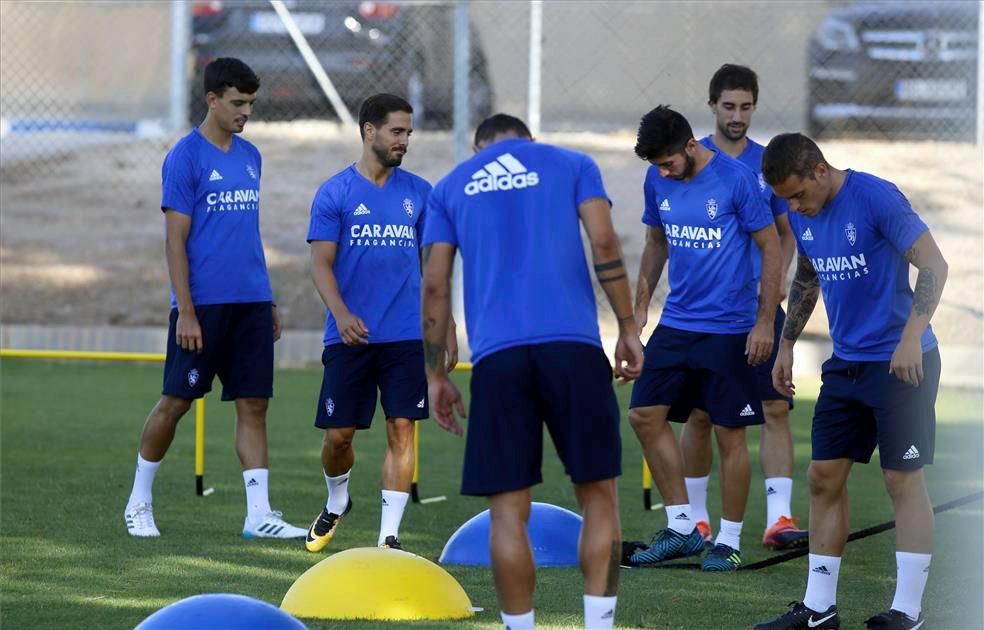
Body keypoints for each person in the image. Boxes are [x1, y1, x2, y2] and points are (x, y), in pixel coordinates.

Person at [421, 114, 643, 630]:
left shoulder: (452, 186)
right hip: (574, 349)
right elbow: (606, 243)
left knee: (507, 513)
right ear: (530, 141)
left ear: (479, 148)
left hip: (499, 360)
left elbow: (433, 285)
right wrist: (629, 328)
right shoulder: (572, 163)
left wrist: (435, 374)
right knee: (599, 498)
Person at [754, 133, 947, 630]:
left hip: (902, 362)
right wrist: (788, 343)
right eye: (785, 199)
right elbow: (807, 276)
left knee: (901, 480)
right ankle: (819, 609)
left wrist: (910, 337)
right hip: (846, 364)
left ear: (820, 170)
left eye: (798, 194)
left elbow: (933, 263)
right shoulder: (803, 210)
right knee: (823, 478)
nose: (793, 206)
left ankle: (907, 611)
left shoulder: (875, 196)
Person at [123, 57, 305, 540]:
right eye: (237, 102)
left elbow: (247, 234)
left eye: (251, 103)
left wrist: (266, 299)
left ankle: (258, 515)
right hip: (201, 308)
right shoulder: (185, 157)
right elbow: (174, 242)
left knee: (254, 405)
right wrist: (185, 310)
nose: (246, 111)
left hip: (250, 303)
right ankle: (138, 502)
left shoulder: (251, 157)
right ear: (212, 99)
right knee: (176, 402)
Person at [626, 105, 782, 572]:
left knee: (728, 432)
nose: (664, 171)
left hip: (731, 327)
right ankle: (682, 527)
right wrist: (639, 308)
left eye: (669, 161)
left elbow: (770, 245)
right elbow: (656, 244)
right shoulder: (658, 179)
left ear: (691, 146)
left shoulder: (736, 180)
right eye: (657, 165)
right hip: (677, 323)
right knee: (643, 415)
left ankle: (729, 541)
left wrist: (765, 321)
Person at [304, 93, 456, 554]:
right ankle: (337, 501)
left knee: (402, 428)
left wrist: (446, 326)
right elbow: (320, 266)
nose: (404, 141)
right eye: (396, 131)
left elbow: (436, 269)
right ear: (369, 130)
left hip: (407, 336)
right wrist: (343, 314)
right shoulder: (335, 193)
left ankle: (389, 538)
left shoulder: (420, 194)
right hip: (350, 336)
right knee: (338, 437)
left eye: (408, 133)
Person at [679, 64, 807, 550]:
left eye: (746, 106)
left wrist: (771, 295)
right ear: (712, 105)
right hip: (705, 314)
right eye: (729, 106)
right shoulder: (693, 160)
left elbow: (785, 234)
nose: (737, 115)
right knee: (699, 413)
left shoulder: (767, 162)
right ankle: (695, 520)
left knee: (775, 405)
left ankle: (779, 520)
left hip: (757, 314)